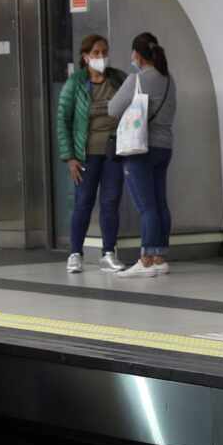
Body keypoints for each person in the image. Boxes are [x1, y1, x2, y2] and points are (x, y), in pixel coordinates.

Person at [57, 34, 128, 274]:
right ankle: (75, 254)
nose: (101, 57)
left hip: (114, 152)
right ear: (85, 57)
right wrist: (70, 158)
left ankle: (108, 253)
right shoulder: (75, 83)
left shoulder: (118, 79)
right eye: (96, 53)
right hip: (85, 154)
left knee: (110, 202)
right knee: (83, 202)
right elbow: (63, 120)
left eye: (104, 52)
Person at [108, 32, 176, 279]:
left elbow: (113, 108)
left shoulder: (136, 80)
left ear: (137, 54)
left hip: (139, 148)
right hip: (164, 147)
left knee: (146, 206)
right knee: (160, 203)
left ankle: (146, 259)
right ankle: (160, 257)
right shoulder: (169, 80)